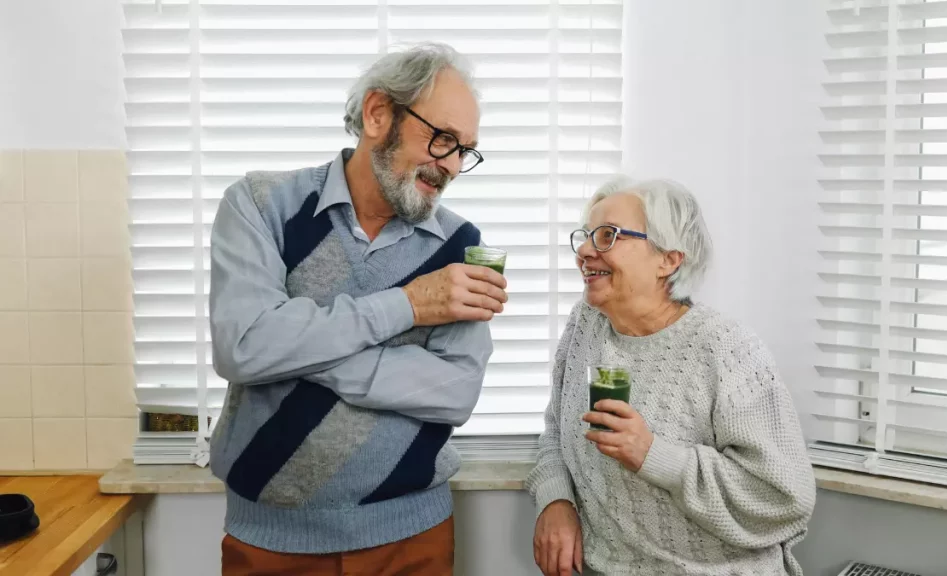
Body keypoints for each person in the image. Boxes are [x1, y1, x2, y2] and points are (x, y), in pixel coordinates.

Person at [208, 43, 507, 576]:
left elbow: (456, 391)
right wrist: (408, 305)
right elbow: (243, 347)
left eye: (465, 150)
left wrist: (298, 350)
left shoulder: (462, 243)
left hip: (413, 538)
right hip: (270, 541)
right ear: (377, 114)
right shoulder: (259, 205)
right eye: (442, 139)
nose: (453, 167)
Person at [526, 176, 816, 576]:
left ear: (669, 259)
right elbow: (557, 430)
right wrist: (555, 500)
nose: (585, 250)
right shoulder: (587, 324)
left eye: (608, 236)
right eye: (587, 235)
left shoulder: (726, 348)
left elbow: (785, 498)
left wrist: (654, 455)